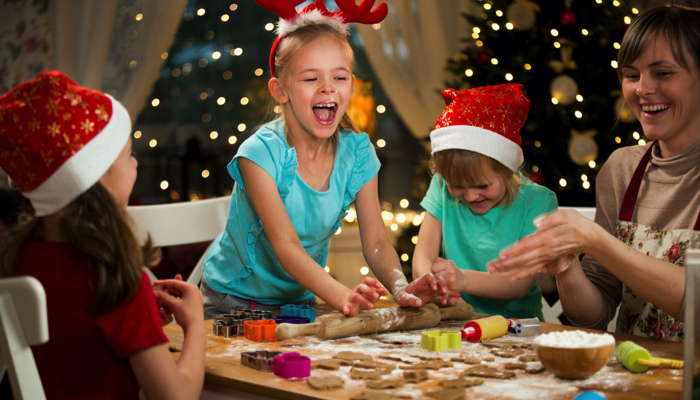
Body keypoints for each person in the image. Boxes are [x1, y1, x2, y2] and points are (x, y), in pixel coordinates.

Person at [200, 1, 456, 319]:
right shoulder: (260, 154)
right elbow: (287, 247)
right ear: (280, 90)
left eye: (340, 77)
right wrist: (343, 296)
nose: (327, 88)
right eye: (310, 79)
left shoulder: (358, 154)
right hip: (233, 303)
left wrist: (400, 288)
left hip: (300, 303)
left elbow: (376, 241)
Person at [487, 5, 700, 341]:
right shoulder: (621, 170)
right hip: (637, 377)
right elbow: (594, 315)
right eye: (631, 75)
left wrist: (596, 241)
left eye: (662, 73)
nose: (642, 89)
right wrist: (567, 266)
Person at [0, 71, 206, 399]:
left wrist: (141, 322)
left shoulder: (18, 258)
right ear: (99, 176)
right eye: (129, 154)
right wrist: (195, 325)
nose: (136, 164)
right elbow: (176, 397)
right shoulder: (116, 279)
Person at [412, 84, 558, 320]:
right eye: (457, 185)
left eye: (482, 186)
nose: (470, 196)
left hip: (516, 330)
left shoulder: (537, 201)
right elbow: (423, 257)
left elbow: (518, 283)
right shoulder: (440, 185)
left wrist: (462, 280)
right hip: (457, 322)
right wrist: (433, 285)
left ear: (507, 169)